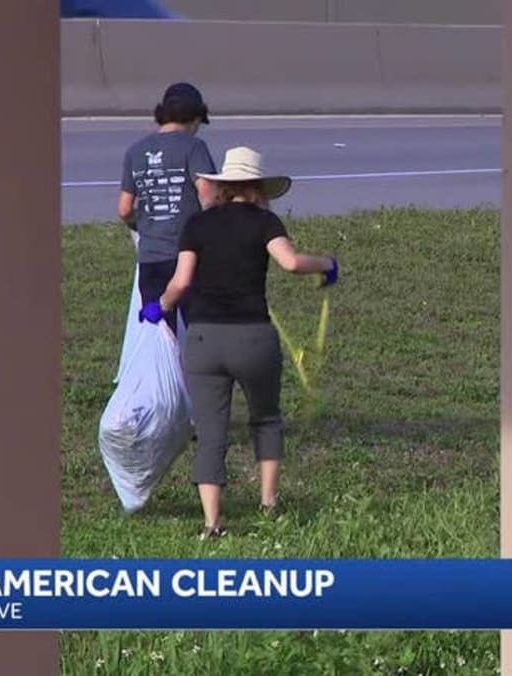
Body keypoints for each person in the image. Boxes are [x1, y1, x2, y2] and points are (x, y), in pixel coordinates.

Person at [138, 147, 340, 540]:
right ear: (258, 188)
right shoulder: (265, 222)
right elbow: (292, 263)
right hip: (253, 338)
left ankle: (212, 524)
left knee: (212, 431)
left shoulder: (197, 225)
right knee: (265, 419)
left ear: (224, 187)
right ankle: (268, 503)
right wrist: (328, 265)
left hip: (203, 339)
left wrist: (156, 307)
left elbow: (180, 283)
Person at [118, 82, 216, 335]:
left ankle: (165, 376)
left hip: (150, 258)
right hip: (188, 256)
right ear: (194, 117)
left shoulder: (135, 152)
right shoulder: (194, 147)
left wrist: (144, 226)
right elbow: (208, 196)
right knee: (200, 330)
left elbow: (124, 208)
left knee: (160, 333)